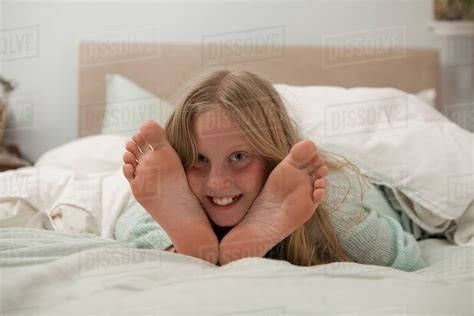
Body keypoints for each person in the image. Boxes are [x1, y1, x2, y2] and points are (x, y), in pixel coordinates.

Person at [118, 70, 424, 271]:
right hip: (193, 201)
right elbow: (129, 223)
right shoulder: (171, 185)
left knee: (326, 207)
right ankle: (184, 250)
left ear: (272, 159)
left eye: (239, 156)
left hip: (376, 188)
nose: (217, 181)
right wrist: (183, 241)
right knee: (150, 216)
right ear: (179, 160)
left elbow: (406, 259)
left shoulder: (312, 195)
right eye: (199, 158)